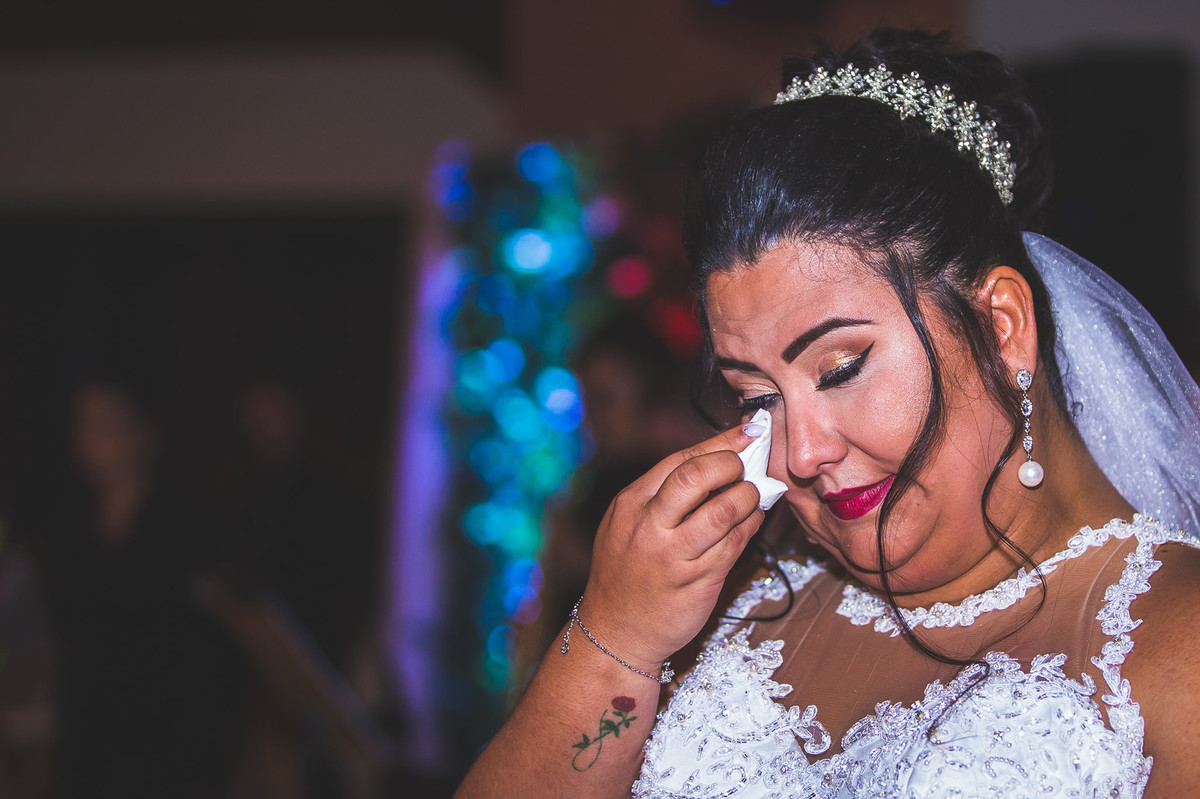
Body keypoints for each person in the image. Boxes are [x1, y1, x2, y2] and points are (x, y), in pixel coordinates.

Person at [455, 29, 1200, 797]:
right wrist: (615, 638)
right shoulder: (726, 600)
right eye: (758, 397)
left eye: (841, 368)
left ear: (1001, 325)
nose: (800, 453)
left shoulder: (1179, 645)